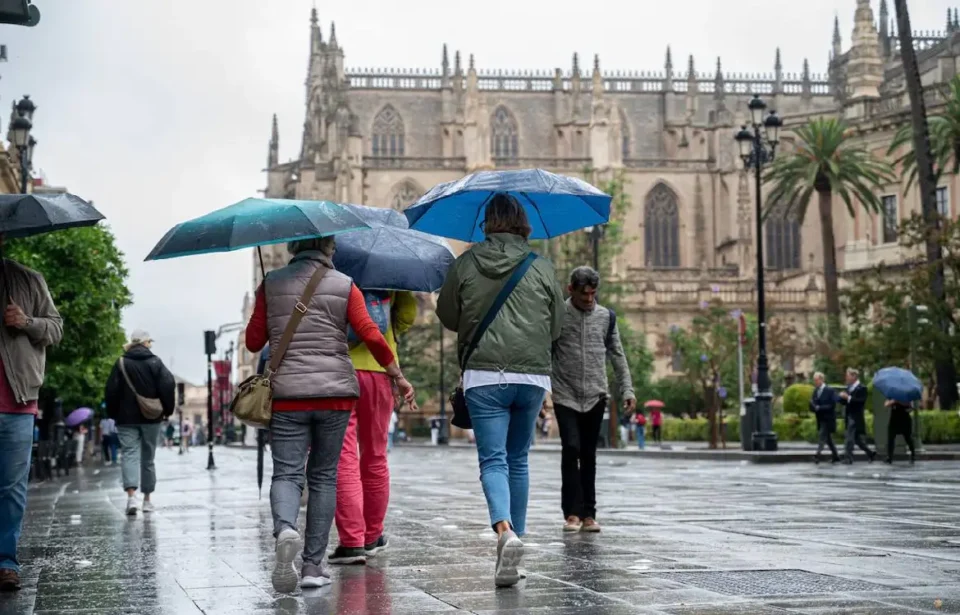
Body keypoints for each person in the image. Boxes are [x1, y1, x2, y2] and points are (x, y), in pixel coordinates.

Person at [244, 236, 415, 593]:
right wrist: (396, 375)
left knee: (288, 473)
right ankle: (311, 566)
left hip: (288, 394)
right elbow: (370, 332)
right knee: (324, 476)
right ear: (329, 249)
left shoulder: (271, 283)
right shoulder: (344, 284)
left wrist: (268, 298)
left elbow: (252, 341)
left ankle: (286, 529)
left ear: (293, 247)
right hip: (335, 394)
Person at [436, 193, 564, 588]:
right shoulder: (541, 266)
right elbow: (557, 325)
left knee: (493, 461)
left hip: (484, 375)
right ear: (523, 223)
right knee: (519, 460)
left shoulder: (466, 263)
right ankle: (516, 541)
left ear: (487, 223)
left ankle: (504, 532)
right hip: (531, 378)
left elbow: (448, 316)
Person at [329, 288, 416, 566]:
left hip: (339, 368)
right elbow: (406, 315)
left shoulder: (337, 267)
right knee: (375, 455)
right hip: (381, 367)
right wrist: (388, 332)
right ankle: (372, 536)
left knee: (344, 457)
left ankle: (352, 542)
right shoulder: (391, 269)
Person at [551, 267, 636, 534]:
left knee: (589, 453)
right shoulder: (558, 315)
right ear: (571, 290)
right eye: (583, 293)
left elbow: (617, 355)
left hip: (595, 394)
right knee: (571, 449)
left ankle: (589, 513)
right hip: (564, 393)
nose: (589, 299)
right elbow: (545, 352)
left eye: (592, 293)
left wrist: (628, 390)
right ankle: (571, 513)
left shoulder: (606, 317)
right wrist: (542, 391)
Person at [0, 253, 62, 592]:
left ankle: (5, 561)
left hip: (16, 400)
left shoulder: (28, 279)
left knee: (11, 488)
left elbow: (55, 328)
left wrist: (25, 322)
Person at [104, 330, 176, 516]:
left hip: (125, 419)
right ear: (145, 343)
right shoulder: (156, 363)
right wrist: (167, 410)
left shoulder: (121, 363)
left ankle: (130, 498)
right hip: (151, 418)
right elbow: (168, 385)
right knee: (148, 457)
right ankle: (147, 500)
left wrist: (114, 414)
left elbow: (110, 390)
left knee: (129, 454)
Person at [838, 368, 876, 464]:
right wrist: (841, 397)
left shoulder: (862, 388)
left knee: (849, 437)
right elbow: (844, 402)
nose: (846, 378)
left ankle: (848, 457)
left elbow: (860, 402)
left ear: (854, 376)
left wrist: (848, 397)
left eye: (848, 376)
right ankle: (870, 453)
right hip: (849, 416)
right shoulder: (848, 388)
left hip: (856, 417)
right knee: (857, 440)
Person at [810, 372, 840, 464]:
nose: (815, 382)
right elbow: (813, 403)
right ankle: (836, 456)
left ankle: (817, 455)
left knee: (822, 436)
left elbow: (832, 405)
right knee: (828, 439)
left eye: (817, 380)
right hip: (820, 418)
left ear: (822, 380)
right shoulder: (815, 391)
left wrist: (820, 408)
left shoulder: (829, 390)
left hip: (828, 418)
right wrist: (813, 406)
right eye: (814, 380)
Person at [884, 399, 916, 464]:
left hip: (904, 420)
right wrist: (894, 401)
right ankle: (889, 457)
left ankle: (913, 455)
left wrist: (901, 402)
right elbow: (886, 404)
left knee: (908, 438)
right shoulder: (892, 395)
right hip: (894, 420)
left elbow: (911, 407)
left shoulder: (907, 396)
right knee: (890, 438)